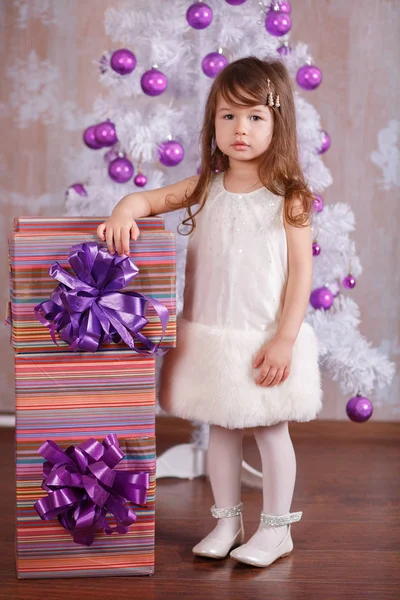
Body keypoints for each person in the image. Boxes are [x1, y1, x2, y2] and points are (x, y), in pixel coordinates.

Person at [97, 56, 322, 568]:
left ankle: (276, 529)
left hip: (263, 337)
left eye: (255, 117)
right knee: (219, 429)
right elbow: (145, 201)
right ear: (213, 123)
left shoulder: (289, 198)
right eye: (228, 116)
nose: (240, 129)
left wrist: (285, 339)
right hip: (212, 336)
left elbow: (301, 278)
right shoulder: (204, 188)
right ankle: (227, 521)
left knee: (268, 430)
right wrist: (124, 210)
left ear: (278, 123)